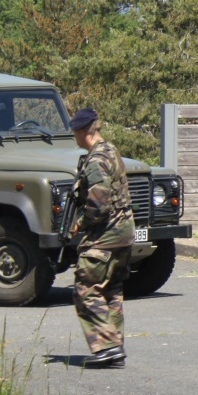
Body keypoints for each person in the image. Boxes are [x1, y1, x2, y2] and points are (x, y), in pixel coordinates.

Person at [69, 108, 135, 368]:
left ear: (85, 132)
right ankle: (115, 347)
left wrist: (80, 224)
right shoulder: (111, 150)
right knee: (111, 291)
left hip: (107, 234)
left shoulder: (96, 160)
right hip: (124, 233)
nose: (74, 137)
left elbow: (99, 204)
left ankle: (107, 346)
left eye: (75, 132)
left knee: (85, 288)